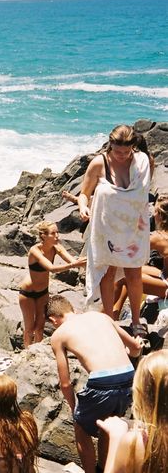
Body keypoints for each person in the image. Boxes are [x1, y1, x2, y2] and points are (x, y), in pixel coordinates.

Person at [46, 295, 143, 473]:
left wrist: (74, 409)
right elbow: (134, 348)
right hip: (128, 375)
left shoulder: (59, 335)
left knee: (81, 426)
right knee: (107, 423)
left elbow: (65, 382)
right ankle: (102, 471)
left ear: (54, 319)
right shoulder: (102, 317)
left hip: (102, 382)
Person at [78, 124, 152, 338]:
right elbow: (84, 193)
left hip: (133, 229)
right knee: (107, 274)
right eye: (117, 151)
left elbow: (141, 194)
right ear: (110, 145)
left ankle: (137, 321)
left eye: (126, 152)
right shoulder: (98, 164)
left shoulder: (142, 163)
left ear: (133, 148)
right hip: (105, 229)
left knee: (134, 274)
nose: (121, 156)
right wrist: (83, 206)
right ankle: (110, 320)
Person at [19, 221, 86, 347]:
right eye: (53, 233)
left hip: (43, 292)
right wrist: (74, 265)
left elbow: (72, 260)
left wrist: (81, 262)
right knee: (29, 328)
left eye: (57, 232)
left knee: (39, 327)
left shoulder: (56, 247)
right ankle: (24, 354)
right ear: (43, 236)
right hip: (27, 293)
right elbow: (52, 268)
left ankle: (35, 355)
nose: (57, 236)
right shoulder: (35, 250)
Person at [113, 196, 168, 318]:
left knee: (123, 276)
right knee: (133, 269)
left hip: (166, 285)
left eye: (155, 212)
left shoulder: (159, 237)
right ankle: (115, 312)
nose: (153, 216)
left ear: (160, 215)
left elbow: (129, 250)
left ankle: (109, 313)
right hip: (165, 275)